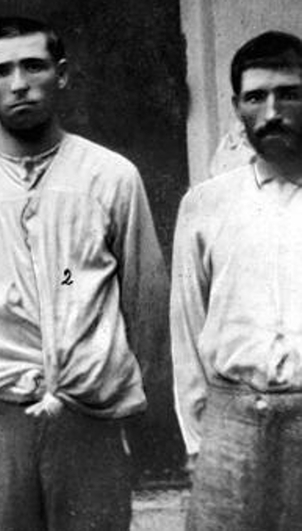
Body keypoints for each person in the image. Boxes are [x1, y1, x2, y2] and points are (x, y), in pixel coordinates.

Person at [0, 16, 168, 531]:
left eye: (34, 66)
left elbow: (146, 299)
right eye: (1, 71)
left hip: (88, 417)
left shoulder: (110, 176)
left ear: (62, 74)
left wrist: (113, 392)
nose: (19, 83)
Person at [171, 30, 302, 530]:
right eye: (255, 97)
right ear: (236, 107)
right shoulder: (207, 204)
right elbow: (187, 327)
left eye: (288, 94)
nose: (271, 112)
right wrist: (196, 442)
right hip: (232, 427)